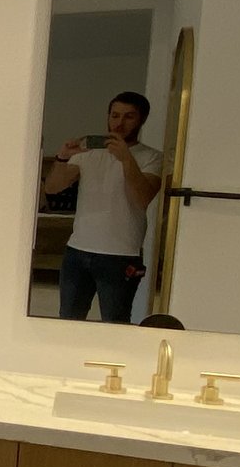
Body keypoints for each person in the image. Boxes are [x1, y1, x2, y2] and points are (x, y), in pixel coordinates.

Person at [42, 91, 165, 322]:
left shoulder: (151, 157)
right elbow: (52, 188)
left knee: (115, 322)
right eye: (115, 115)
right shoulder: (87, 151)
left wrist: (126, 159)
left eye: (128, 116)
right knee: (68, 320)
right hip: (77, 251)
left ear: (141, 120)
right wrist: (61, 157)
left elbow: (142, 198)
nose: (119, 123)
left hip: (121, 255)